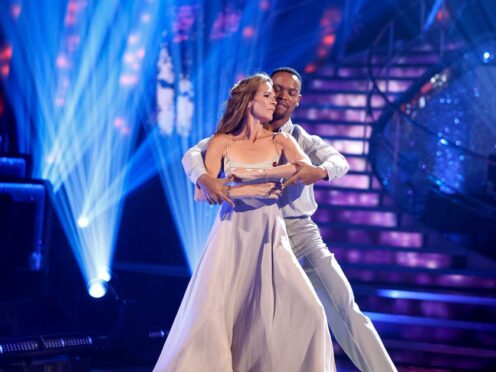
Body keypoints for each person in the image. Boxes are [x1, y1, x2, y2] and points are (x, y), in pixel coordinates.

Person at [182, 67, 397, 372]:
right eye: (276, 90)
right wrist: (203, 178)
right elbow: (195, 152)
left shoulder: (298, 138)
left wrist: (321, 172)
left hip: (298, 234)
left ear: (298, 100)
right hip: (251, 235)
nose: (282, 97)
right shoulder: (238, 133)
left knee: (341, 307)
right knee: (243, 319)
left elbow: (338, 160)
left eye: (290, 92)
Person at [154, 73, 335, 372]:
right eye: (267, 95)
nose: (274, 100)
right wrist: (234, 187)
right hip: (232, 232)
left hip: (269, 232)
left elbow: (306, 168)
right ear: (249, 101)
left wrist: (255, 176)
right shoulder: (221, 142)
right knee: (216, 313)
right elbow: (206, 192)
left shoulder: (281, 140)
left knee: (311, 310)